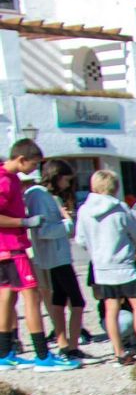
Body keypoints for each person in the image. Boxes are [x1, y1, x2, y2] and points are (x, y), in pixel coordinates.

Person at [0, 139, 79, 371]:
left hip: (5, 248)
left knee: (7, 297)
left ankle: (4, 354)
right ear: (21, 159)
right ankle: (43, 357)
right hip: (12, 247)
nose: (36, 169)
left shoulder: (11, 178)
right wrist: (24, 222)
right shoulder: (6, 180)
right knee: (32, 297)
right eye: (33, 164)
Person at [74, 170, 136, 365]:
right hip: (124, 265)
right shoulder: (120, 207)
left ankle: (118, 352)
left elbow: (80, 239)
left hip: (101, 267)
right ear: (115, 187)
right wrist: (135, 247)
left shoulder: (84, 210)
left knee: (111, 309)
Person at [26, 159, 85, 360]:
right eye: (66, 180)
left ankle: (64, 345)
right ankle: (72, 347)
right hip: (56, 258)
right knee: (77, 302)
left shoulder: (41, 195)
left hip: (55, 257)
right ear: (57, 177)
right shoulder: (40, 196)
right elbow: (43, 230)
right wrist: (67, 223)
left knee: (58, 301)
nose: (67, 185)